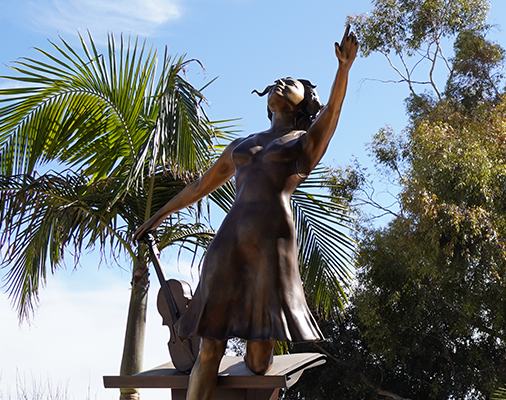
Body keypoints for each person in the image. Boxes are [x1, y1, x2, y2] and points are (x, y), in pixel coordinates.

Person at [131, 26, 358, 400]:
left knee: (257, 361)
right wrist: (157, 216)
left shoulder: (304, 143)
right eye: (277, 82)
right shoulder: (242, 144)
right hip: (230, 241)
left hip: (272, 244)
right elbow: (200, 186)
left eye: (291, 83)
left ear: (304, 105)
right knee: (209, 347)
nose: (281, 83)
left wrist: (343, 69)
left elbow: (333, 111)